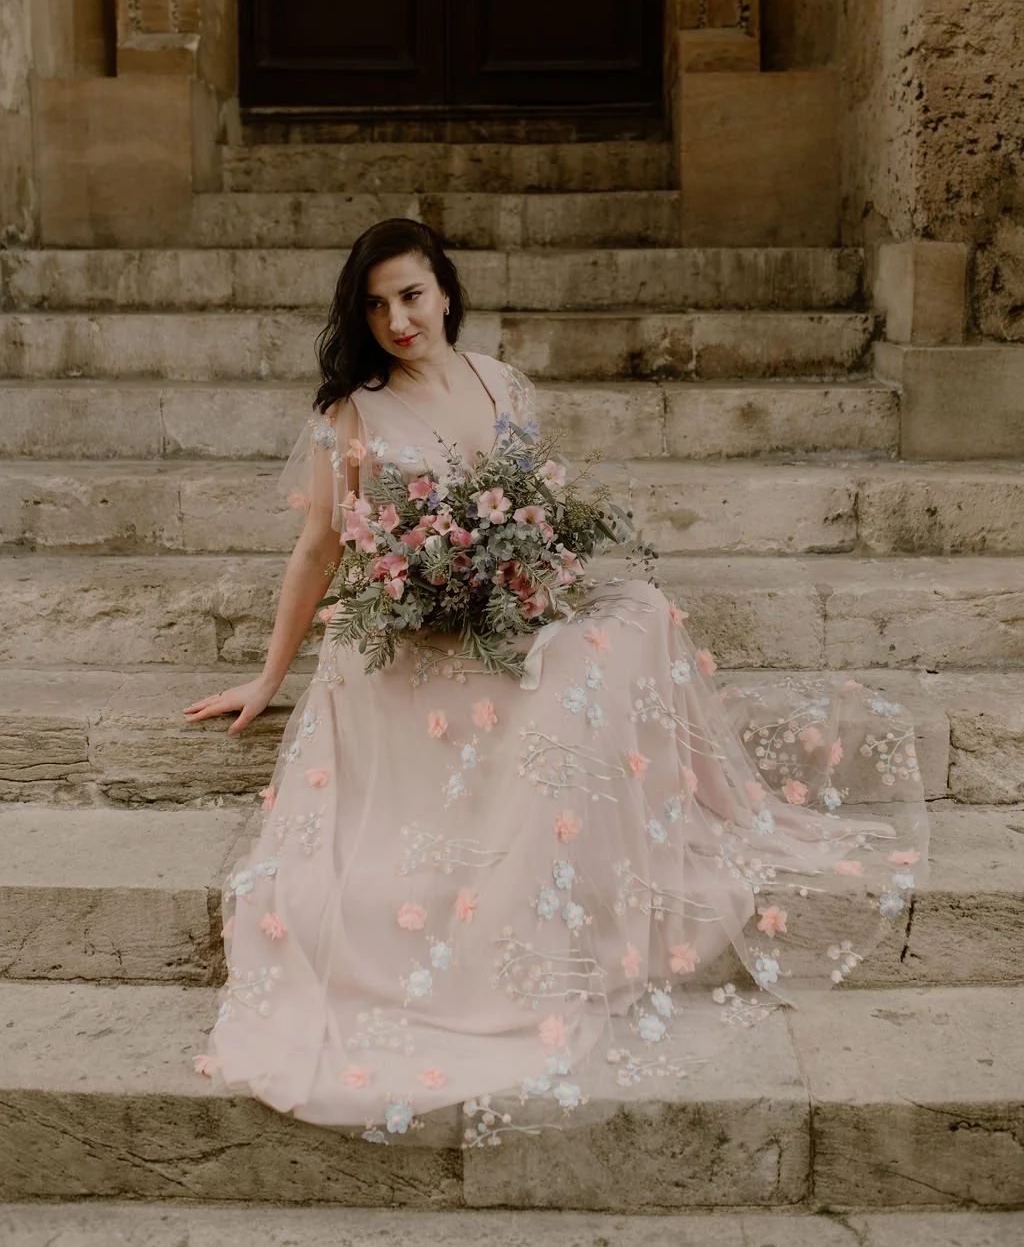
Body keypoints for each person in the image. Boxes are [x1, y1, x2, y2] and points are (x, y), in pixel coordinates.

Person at [185, 218, 929, 1147]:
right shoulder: (354, 415)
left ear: (445, 290)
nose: (397, 319)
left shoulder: (501, 382)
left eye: (411, 294)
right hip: (412, 640)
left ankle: (615, 826)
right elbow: (319, 547)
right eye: (375, 305)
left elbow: (530, 506)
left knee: (637, 613)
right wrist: (267, 675)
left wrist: (531, 575)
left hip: (498, 607)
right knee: (560, 676)